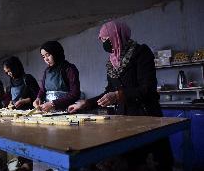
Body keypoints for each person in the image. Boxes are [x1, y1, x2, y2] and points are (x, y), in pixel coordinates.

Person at [68, 20, 173, 171]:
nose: (104, 43)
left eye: (105, 39)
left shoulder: (141, 52)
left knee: (153, 162)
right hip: (124, 117)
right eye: (102, 40)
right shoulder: (111, 63)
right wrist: (87, 103)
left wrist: (118, 95)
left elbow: (147, 88)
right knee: (130, 161)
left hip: (147, 116)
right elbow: (109, 91)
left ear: (116, 36)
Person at [33, 41, 81, 112]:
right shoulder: (47, 71)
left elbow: (75, 94)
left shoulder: (69, 68)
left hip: (66, 109)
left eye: (48, 55)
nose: (46, 59)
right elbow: (43, 90)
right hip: (48, 111)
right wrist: (38, 98)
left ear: (56, 53)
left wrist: (53, 104)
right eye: (43, 56)